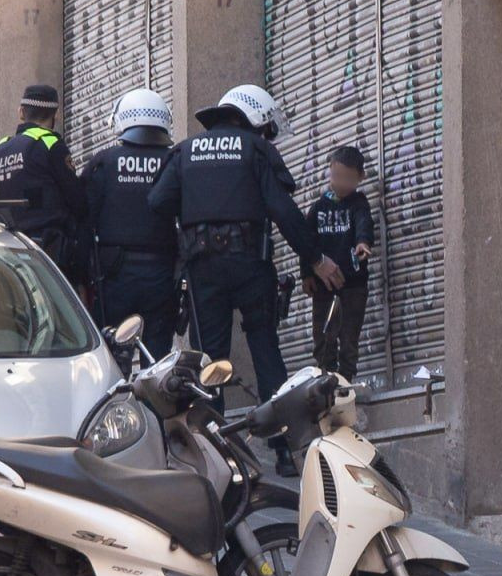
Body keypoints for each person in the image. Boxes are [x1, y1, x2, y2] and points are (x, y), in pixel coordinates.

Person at [147, 84, 345, 477]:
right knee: (266, 349)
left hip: (203, 269)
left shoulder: (185, 151)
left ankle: (216, 453)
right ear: (255, 118)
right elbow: (284, 212)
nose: (267, 136)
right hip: (251, 265)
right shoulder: (255, 149)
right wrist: (317, 259)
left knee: (210, 361)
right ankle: (287, 449)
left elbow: (157, 202)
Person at [80, 88, 177, 356]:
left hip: (114, 277)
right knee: (157, 359)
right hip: (162, 274)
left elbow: (84, 218)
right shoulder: (174, 160)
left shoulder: (104, 162)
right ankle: (151, 400)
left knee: (112, 356)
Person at [0, 84, 87, 284]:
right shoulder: (49, 144)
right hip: (48, 256)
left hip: (6, 256)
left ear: (21, 112)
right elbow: (78, 202)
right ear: (55, 115)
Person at [300, 146, 375, 381]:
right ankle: (326, 380)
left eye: (348, 178)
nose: (341, 183)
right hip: (324, 287)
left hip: (353, 285)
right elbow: (306, 242)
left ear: (360, 178)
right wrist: (307, 275)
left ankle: (346, 380)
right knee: (323, 337)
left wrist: (362, 243)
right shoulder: (319, 207)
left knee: (349, 336)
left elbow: (364, 224)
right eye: (336, 176)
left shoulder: (358, 204)